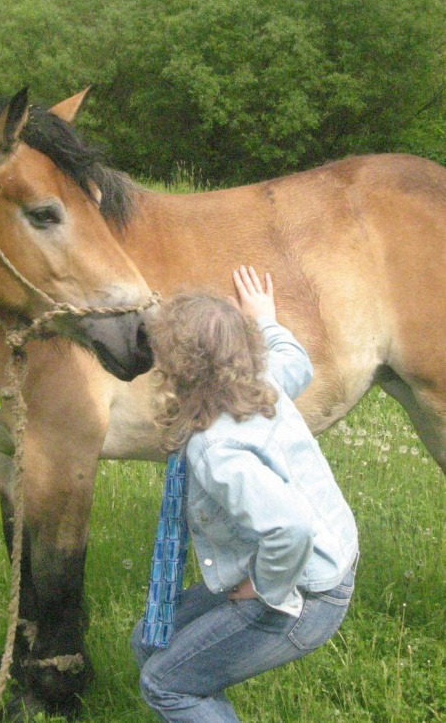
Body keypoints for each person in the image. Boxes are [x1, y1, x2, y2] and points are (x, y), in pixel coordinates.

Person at [131, 265, 359, 723]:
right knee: (150, 640)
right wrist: (265, 318)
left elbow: (289, 527)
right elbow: (293, 358)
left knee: (165, 684)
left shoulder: (217, 448)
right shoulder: (259, 383)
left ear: (178, 370)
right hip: (320, 564)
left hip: (302, 594)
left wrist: (262, 586)